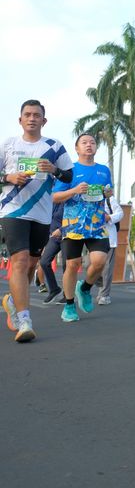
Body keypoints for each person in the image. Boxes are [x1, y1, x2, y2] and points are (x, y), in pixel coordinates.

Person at [0, 100, 73, 342]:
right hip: (12, 210)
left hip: (42, 214)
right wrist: (9, 177)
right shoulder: (8, 144)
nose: (32, 118)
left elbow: (68, 176)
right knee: (19, 261)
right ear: (20, 119)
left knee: (31, 265)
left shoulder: (54, 146)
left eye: (37, 115)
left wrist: (54, 170)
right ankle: (25, 321)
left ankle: (13, 301)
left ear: (44, 120)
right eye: (27, 114)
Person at [52, 133, 112, 322]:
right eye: (84, 142)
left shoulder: (104, 170)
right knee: (72, 264)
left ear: (96, 148)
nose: (89, 145)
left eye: (92, 142)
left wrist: (108, 193)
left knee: (100, 261)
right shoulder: (69, 170)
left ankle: (84, 288)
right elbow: (55, 196)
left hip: (96, 224)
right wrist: (75, 190)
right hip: (73, 225)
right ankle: (69, 306)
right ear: (77, 148)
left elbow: (107, 192)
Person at [96, 185, 124, 305]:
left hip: (109, 238)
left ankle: (104, 295)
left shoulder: (109, 199)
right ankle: (101, 287)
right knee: (89, 264)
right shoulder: (88, 200)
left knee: (107, 269)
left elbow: (120, 213)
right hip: (94, 238)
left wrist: (109, 217)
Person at [39, 200, 65, 303]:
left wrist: (61, 229)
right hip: (54, 237)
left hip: (67, 236)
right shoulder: (51, 202)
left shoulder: (69, 201)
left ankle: (67, 295)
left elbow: (76, 219)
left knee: (66, 266)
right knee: (44, 262)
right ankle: (54, 289)